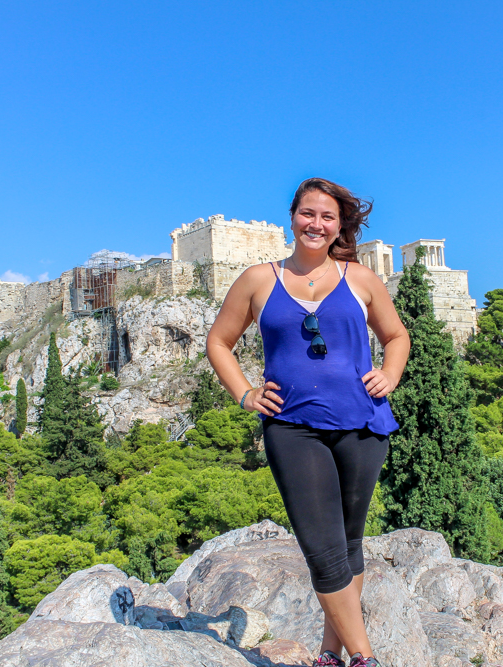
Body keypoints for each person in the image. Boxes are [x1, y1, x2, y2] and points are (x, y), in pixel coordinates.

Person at [206, 178, 410, 667]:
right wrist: (245, 393)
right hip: (291, 426)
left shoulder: (360, 278)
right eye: (308, 213)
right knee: (321, 547)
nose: (316, 224)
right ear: (292, 216)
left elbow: (396, 335)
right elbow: (219, 342)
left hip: (363, 423)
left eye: (327, 217)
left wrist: (389, 374)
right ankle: (365, 657)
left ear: (339, 225)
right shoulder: (258, 279)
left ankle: (331, 653)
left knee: (348, 541)